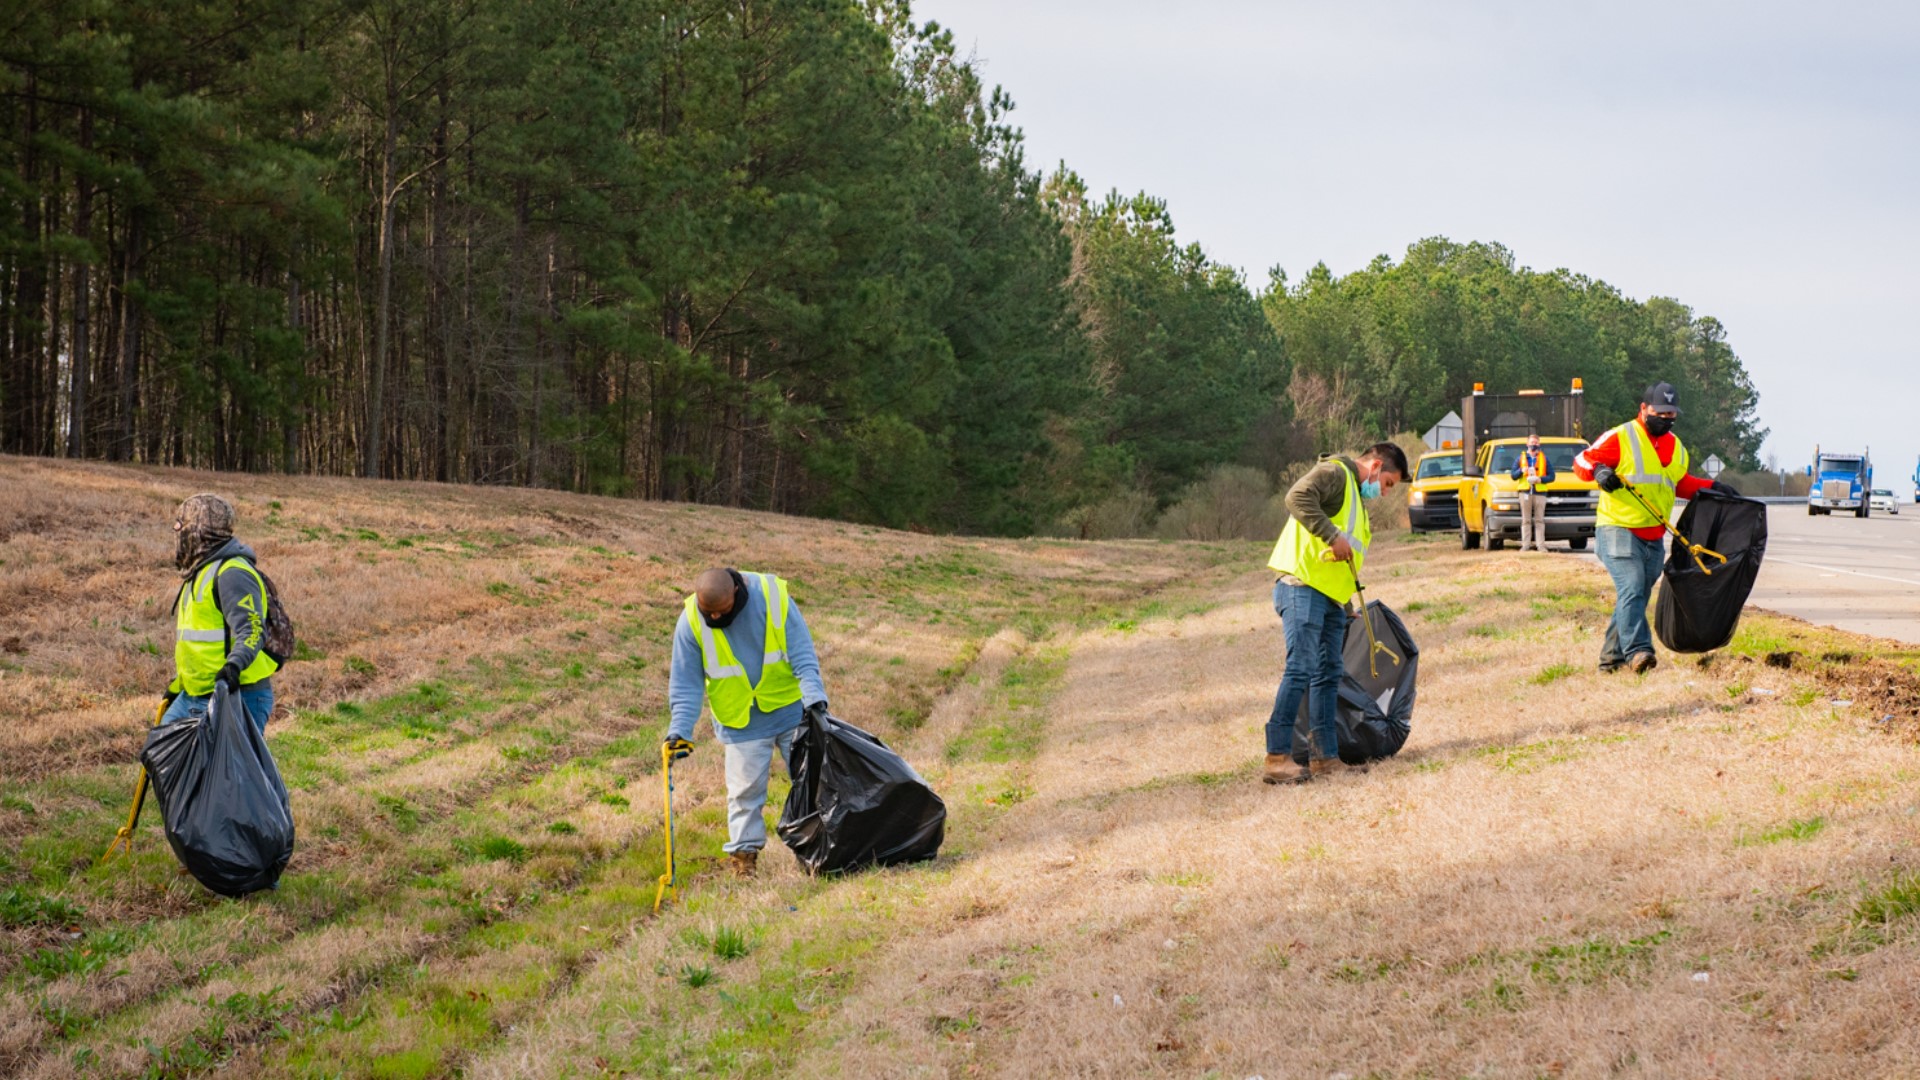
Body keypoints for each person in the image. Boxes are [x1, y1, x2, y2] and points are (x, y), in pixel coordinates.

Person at [665, 568, 829, 877]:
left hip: (789, 711)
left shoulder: (773, 597)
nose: (714, 617)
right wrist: (679, 730)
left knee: (812, 782)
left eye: (721, 611)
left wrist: (815, 700)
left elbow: (802, 653)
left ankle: (818, 851)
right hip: (740, 720)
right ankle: (744, 861)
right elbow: (686, 683)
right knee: (744, 794)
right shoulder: (690, 620)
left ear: (737, 596)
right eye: (708, 612)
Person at [1263, 442, 1409, 784]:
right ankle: (1277, 757)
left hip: (1328, 599)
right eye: (1388, 483)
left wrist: (1344, 605)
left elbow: (1341, 559)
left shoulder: (1355, 496)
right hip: (1301, 588)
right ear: (1375, 466)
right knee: (1300, 668)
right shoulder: (1335, 473)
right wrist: (1331, 535)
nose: (1385, 492)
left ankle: (1325, 757)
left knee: (1328, 674)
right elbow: (1296, 498)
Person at [1573, 382, 1734, 674]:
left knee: (1633, 596)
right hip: (1618, 529)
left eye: (1672, 414)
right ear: (1644, 409)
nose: (1666, 418)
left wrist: (1714, 488)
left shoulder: (1675, 445)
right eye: (1660, 412)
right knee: (1632, 587)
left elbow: (1680, 483)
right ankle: (1639, 653)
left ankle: (1610, 660)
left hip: (1654, 535)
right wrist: (1599, 471)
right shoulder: (1621, 435)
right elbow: (1582, 459)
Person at [164, 494, 278, 733]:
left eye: (181, 525)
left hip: (237, 695)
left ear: (199, 530)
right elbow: (196, 642)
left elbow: (252, 629)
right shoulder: (199, 571)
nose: (177, 531)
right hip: (193, 695)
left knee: (230, 771)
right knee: (161, 758)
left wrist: (233, 667)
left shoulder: (232, 573)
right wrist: (178, 687)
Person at [1510, 433, 1556, 552]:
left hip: (1540, 493)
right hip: (1525, 492)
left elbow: (1552, 476)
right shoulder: (1520, 458)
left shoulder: (1544, 458)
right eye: (1531, 443)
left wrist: (1540, 479)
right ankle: (1525, 545)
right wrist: (1521, 470)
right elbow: (1513, 475)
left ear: (1539, 444)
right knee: (1526, 520)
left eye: (1535, 443)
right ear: (1527, 444)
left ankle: (1540, 545)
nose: (1533, 445)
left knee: (1539, 520)